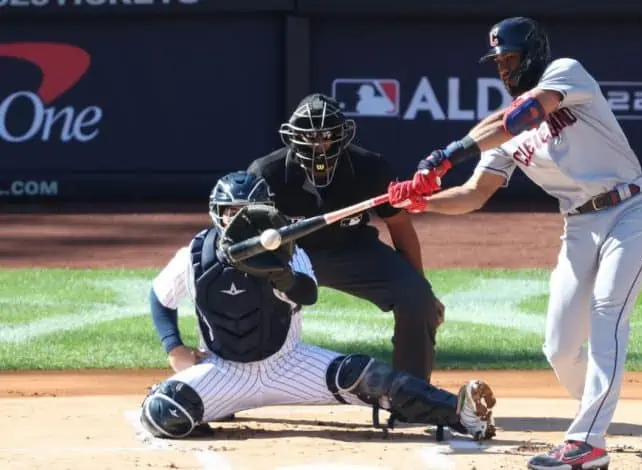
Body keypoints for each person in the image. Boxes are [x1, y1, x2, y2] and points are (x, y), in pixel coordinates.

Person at [387, 17, 642, 470]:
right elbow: (474, 195)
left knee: (607, 313)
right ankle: (596, 407)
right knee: (558, 347)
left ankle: (587, 441)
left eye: (510, 58)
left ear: (532, 53)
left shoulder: (565, 74)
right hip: (578, 226)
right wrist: (422, 203)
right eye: (498, 62)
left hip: (631, 212)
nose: (504, 68)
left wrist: (444, 157)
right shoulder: (504, 133)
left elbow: (525, 113)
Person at [139, 170, 497, 442]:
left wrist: (281, 276)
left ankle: (460, 413)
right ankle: (219, 407)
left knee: (369, 376)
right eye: (231, 212)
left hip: (289, 364)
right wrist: (174, 348)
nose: (239, 220)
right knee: (161, 414)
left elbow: (308, 292)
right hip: (225, 370)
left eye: (246, 212)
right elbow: (160, 298)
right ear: (217, 213)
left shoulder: (287, 250)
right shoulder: (196, 256)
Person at [246, 93, 444, 384]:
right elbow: (246, 238)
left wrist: (423, 287)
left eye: (327, 136)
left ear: (343, 136)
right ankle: (234, 381)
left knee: (417, 298)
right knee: (240, 296)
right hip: (290, 257)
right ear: (292, 137)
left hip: (354, 250)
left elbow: (400, 225)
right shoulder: (267, 173)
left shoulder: (370, 167)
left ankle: (411, 392)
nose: (319, 145)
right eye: (310, 137)